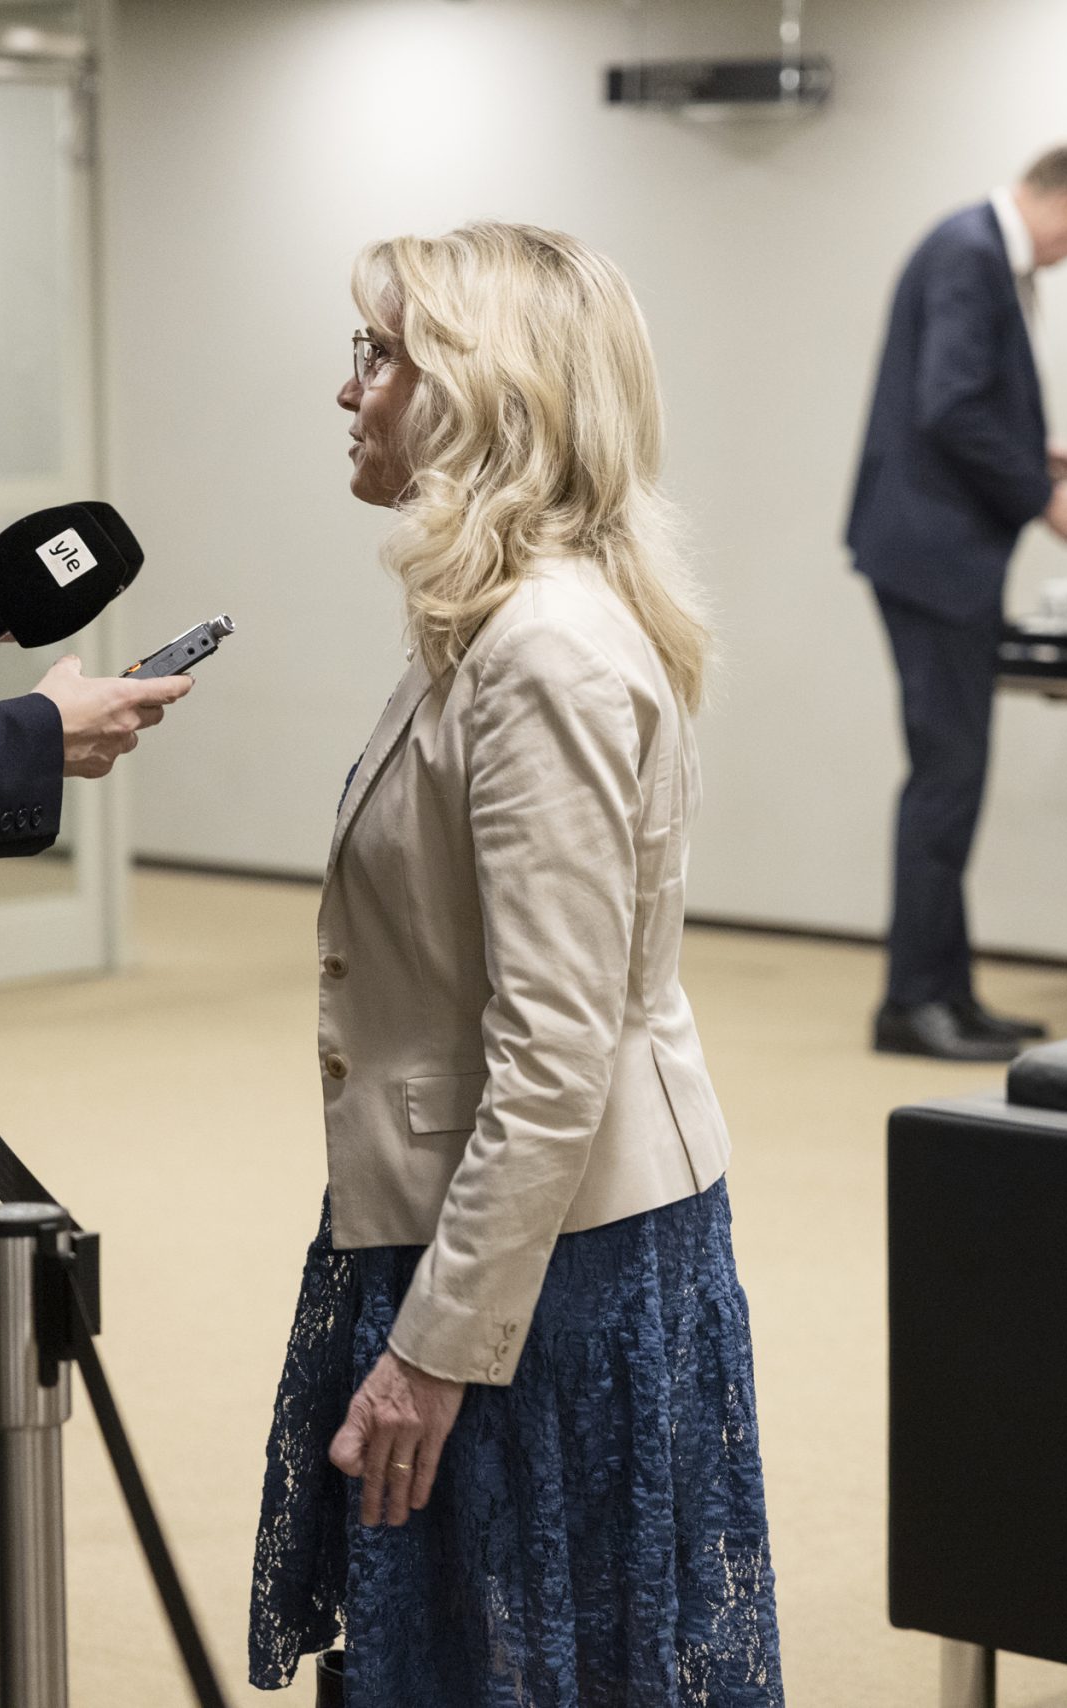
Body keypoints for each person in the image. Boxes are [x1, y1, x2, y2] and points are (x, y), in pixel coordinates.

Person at [247, 224, 781, 1705]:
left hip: (545, 1264)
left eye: (378, 356)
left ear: (483, 391)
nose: (348, 389)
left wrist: (435, 1351)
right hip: (498, 1229)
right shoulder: (497, 620)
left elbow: (554, 1056)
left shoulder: (544, 650)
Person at [846, 140, 1067, 1062]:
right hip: (934, 558)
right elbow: (949, 407)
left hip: (931, 551)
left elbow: (959, 404)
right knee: (946, 779)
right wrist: (1043, 497)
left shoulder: (965, 245)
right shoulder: (972, 254)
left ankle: (949, 994)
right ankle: (913, 1003)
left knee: (952, 777)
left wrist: (1028, 449)